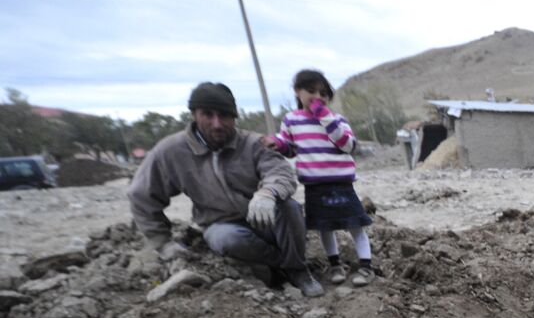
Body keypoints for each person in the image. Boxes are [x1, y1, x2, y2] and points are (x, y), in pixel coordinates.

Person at [129, 81, 323, 297]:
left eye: (224, 116)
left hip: (263, 218)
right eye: (208, 115)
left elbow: (281, 172)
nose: (217, 123)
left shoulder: (252, 143)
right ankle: (279, 265)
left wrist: (267, 193)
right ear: (194, 114)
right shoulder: (171, 151)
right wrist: (163, 243)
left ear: (234, 117)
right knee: (227, 239)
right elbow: (141, 195)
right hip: (220, 224)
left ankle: (298, 270)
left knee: (290, 208)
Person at [263, 70, 376, 287]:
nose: (318, 97)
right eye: (311, 91)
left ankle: (366, 266)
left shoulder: (337, 120)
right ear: (298, 92)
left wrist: (325, 117)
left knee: (356, 225)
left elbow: (348, 145)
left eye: (323, 93)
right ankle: (335, 265)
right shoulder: (292, 120)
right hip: (315, 185)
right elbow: (290, 149)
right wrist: (276, 144)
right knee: (325, 227)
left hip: (342, 183)